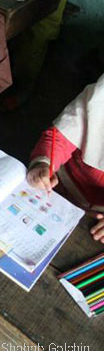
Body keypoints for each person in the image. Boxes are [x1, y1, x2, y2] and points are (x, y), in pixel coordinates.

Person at [26, 74, 104, 242]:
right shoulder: (99, 96)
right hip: (60, 188)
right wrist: (43, 163)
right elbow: (57, 139)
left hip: (96, 225)